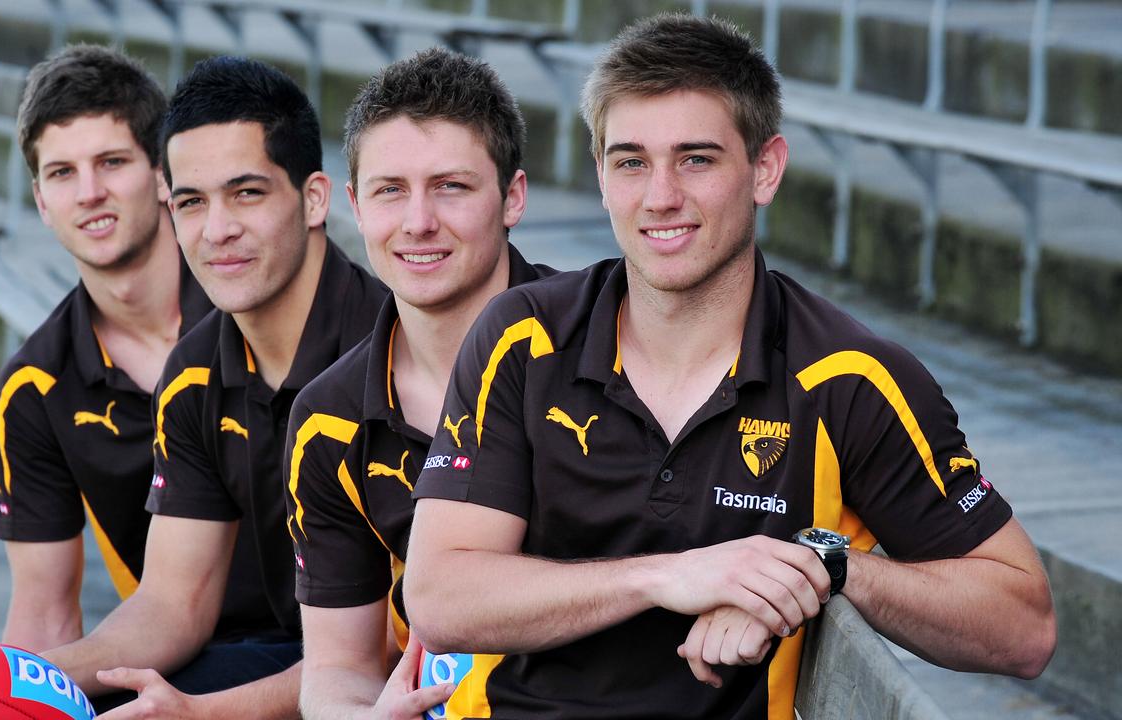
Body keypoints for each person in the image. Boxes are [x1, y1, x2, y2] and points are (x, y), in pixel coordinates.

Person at [404, 13, 1055, 718]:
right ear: (600, 176)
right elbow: (442, 598)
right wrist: (670, 578)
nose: (660, 197)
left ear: (765, 170)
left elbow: (1024, 628)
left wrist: (822, 566)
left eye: (697, 159)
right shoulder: (522, 337)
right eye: (630, 162)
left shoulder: (849, 377)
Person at [42, 56, 386, 717]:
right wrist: (27, 679)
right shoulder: (194, 371)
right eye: (192, 203)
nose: (217, 231)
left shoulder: (394, 353)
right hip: (277, 651)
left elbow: (397, 648)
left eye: (247, 193)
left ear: (314, 199)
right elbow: (175, 601)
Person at [283, 47, 555, 719]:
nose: (418, 222)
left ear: (512, 196)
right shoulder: (328, 418)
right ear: (353, 203)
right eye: (390, 190)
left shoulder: (606, 345)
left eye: (451, 187)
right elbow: (338, 666)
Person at [0, 44, 213, 653]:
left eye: (111, 162)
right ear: (41, 201)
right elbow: (44, 616)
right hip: (172, 659)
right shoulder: (34, 389)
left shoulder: (252, 313)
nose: (89, 192)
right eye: (62, 173)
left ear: (163, 176)